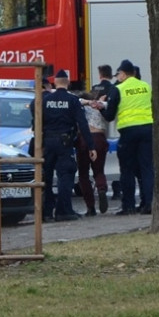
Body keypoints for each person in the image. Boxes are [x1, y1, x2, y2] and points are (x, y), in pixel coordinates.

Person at [33, 69, 97, 221]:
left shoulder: (46, 100)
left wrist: (39, 143)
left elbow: (37, 122)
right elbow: (82, 123)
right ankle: (63, 211)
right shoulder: (72, 100)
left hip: (47, 142)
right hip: (65, 142)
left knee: (47, 178)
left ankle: (47, 212)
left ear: (55, 82)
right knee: (66, 175)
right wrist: (91, 146)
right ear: (68, 82)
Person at [101, 59, 154, 215]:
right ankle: (149, 203)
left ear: (123, 74)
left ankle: (129, 206)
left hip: (128, 132)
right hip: (147, 129)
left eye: (118, 74)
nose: (117, 77)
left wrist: (99, 109)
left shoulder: (118, 89)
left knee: (127, 170)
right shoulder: (146, 86)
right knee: (147, 168)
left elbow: (109, 116)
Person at [75, 91, 109, 215]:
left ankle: (90, 207)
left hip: (83, 139)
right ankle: (101, 189)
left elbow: (76, 100)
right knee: (99, 170)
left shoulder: (78, 106)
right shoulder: (99, 107)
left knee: (83, 174)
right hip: (99, 137)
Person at [93, 64, 122, 199]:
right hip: (112, 130)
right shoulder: (114, 89)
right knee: (115, 162)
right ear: (110, 75)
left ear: (100, 75)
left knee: (97, 164)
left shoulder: (94, 89)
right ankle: (116, 191)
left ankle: (99, 187)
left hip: (97, 129)